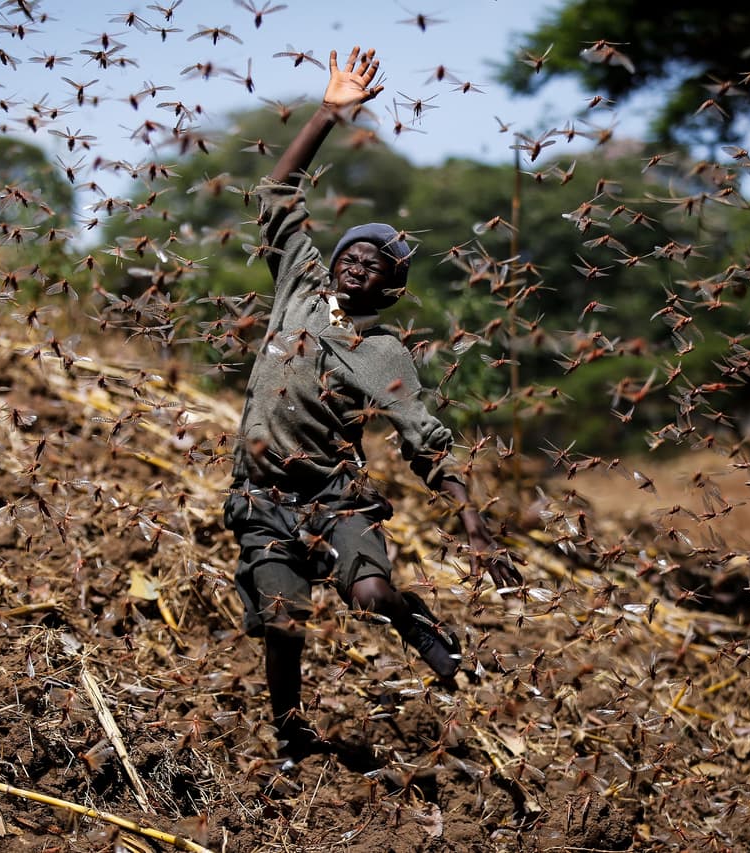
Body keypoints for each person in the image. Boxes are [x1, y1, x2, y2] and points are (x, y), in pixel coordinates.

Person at [222, 46, 519, 762]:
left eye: (374, 264)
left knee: (373, 593)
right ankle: (292, 729)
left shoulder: (385, 352)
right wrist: (329, 112)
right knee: (285, 619)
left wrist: (473, 525)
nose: (357, 263)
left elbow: (426, 440)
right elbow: (276, 190)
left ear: (387, 286)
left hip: (335, 493)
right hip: (262, 493)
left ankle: (414, 624)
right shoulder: (297, 286)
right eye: (352, 252)